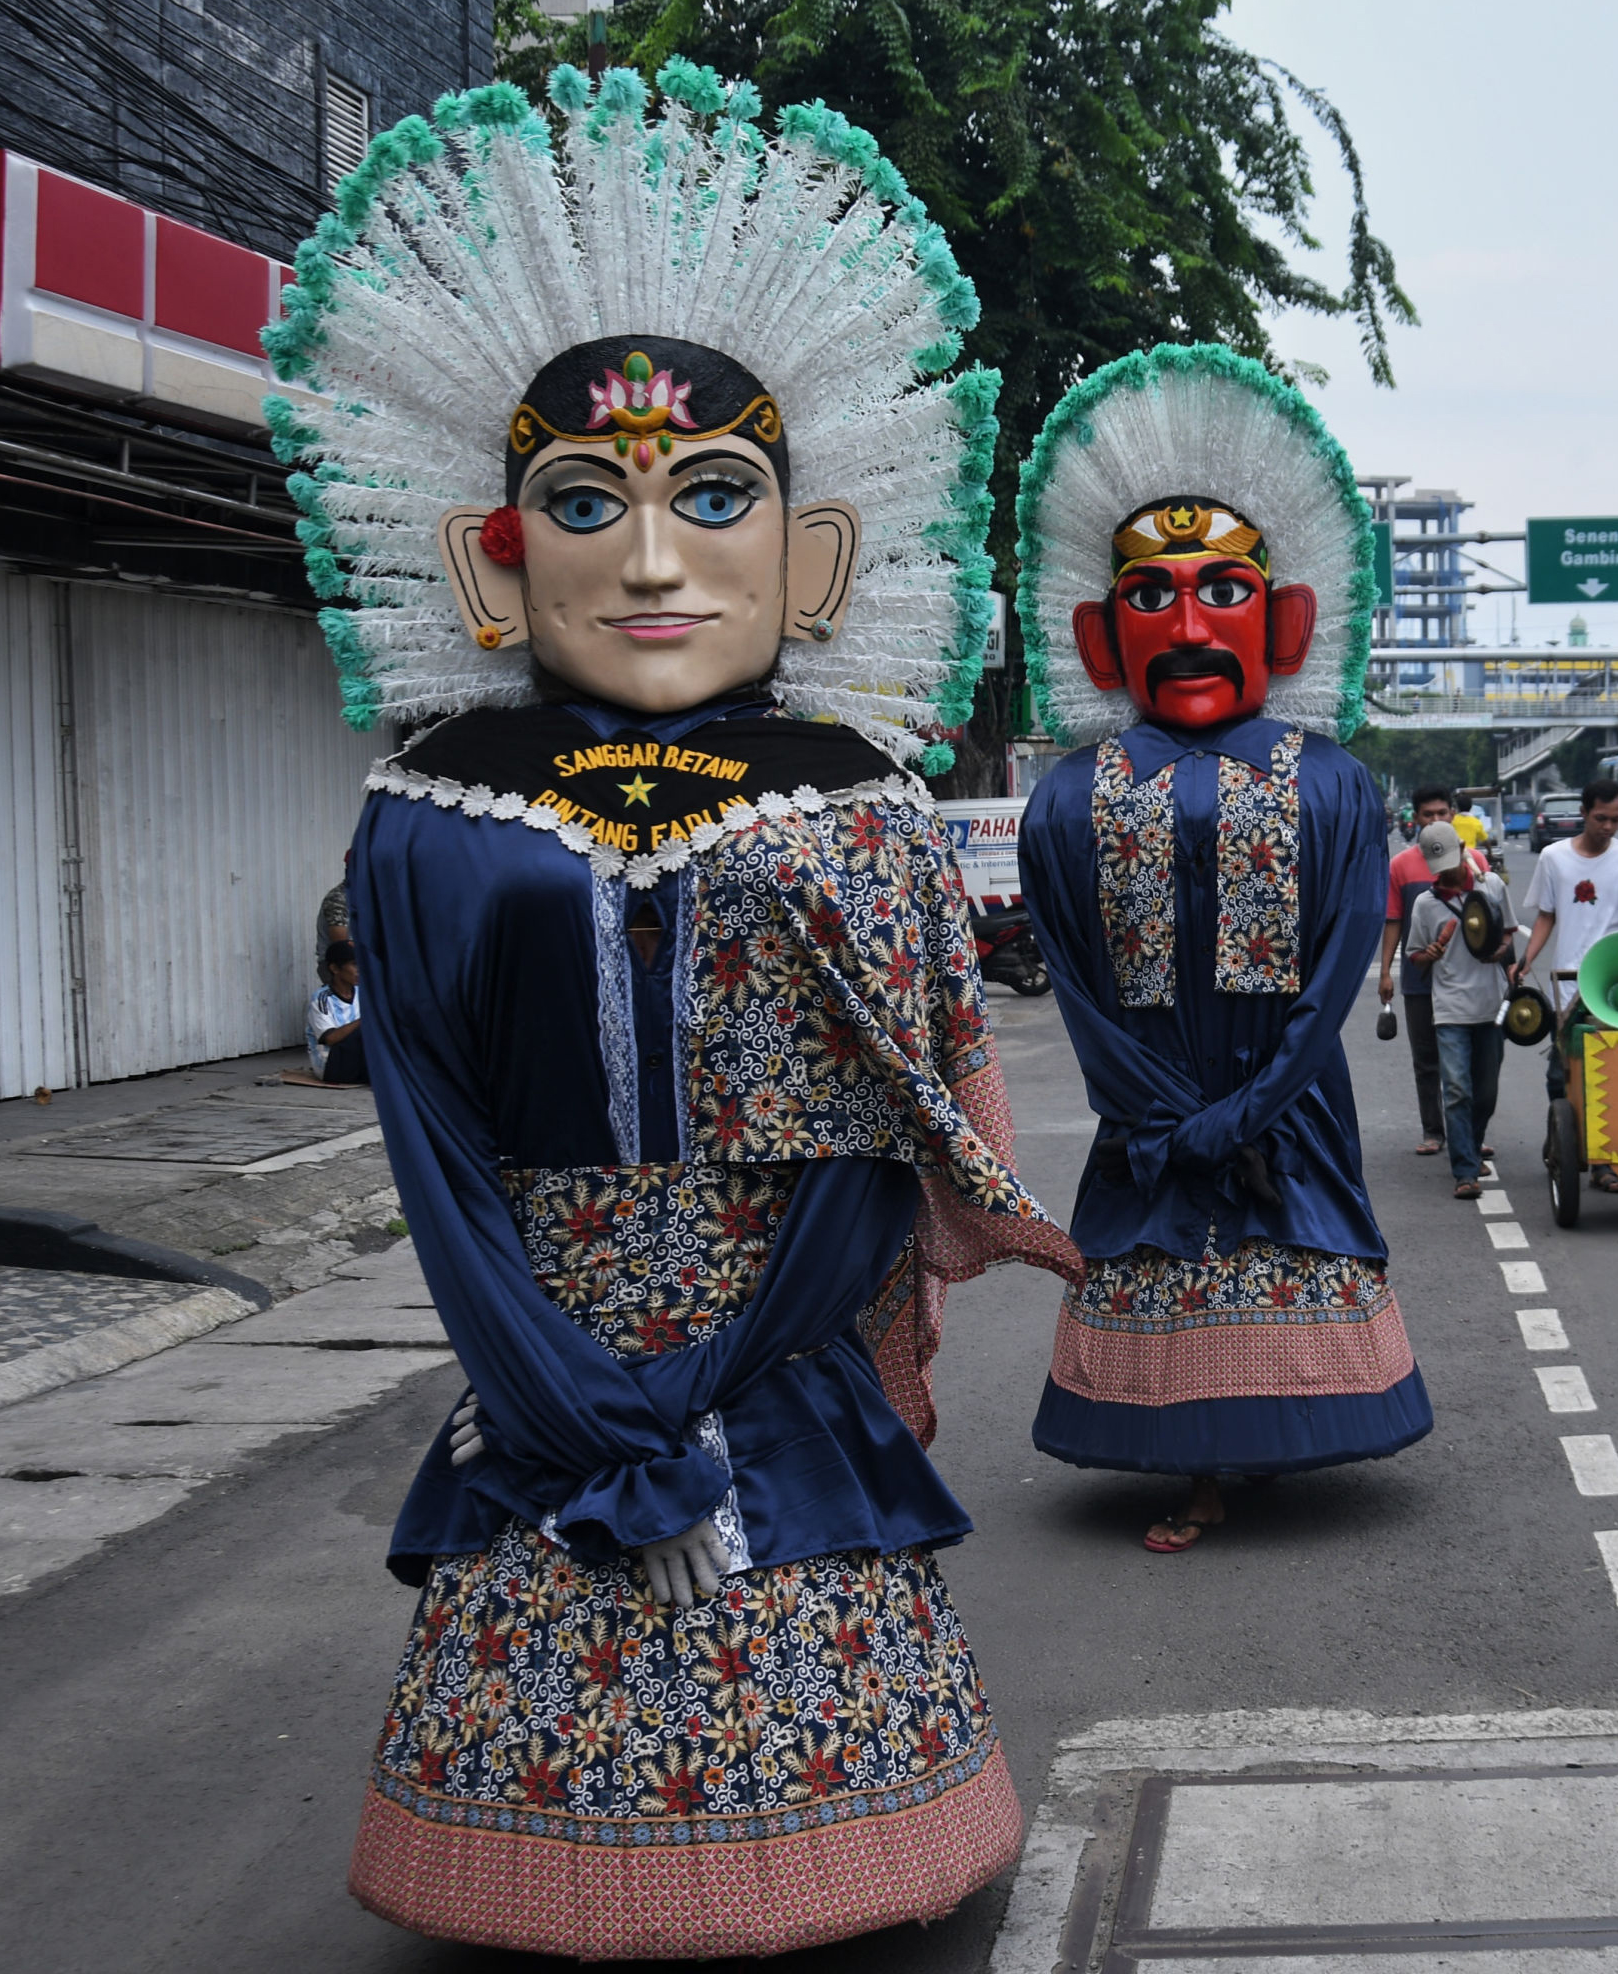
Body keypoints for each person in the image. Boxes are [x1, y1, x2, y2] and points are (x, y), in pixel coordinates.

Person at [284, 72, 1078, 1958]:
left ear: (811, 558)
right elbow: (434, 1137)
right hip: (538, 1331)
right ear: (495, 562)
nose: (651, 563)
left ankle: (840, 1851)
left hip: (780, 1336)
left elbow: (895, 1116)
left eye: (712, 496)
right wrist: (567, 1390)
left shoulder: (857, 804)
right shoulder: (430, 813)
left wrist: (734, 1364)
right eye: (586, 501)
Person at [1015, 341, 1431, 1556]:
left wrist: (1256, 1104)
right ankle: (1194, 1467)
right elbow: (1076, 978)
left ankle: (1270, 1434)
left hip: (1286, 1091)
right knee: (1171, 1253)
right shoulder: (1067, 798)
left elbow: (1344, 959)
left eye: (1222, 590)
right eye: (1151, 597)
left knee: (1274, 1238)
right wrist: (1157, 1112)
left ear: (1286, 620)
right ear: (1101, 640)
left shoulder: (1340, 786)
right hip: (1147, 1104)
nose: (1188, 623)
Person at [1515, 777, 1618, 1192]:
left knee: (1610, 1073)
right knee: (1562, 1074)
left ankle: (1603, 1164)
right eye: (1600, 818)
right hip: (1569, 983)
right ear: (1584, 813)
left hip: (1613, 985)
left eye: (1615, 819)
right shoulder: (1554, 857)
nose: (1609, 827)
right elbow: (1546, 916)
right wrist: (1526, 960)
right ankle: (1562, 1131)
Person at [1403, 820, 1516, 1199]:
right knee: (1456, 1089)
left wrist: (1500, 951)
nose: (1447, 872)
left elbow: (1508, 935)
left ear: (1464, 847)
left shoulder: (1492, 886)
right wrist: (1428, 954)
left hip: (1492, 1004)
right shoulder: (1424, 903)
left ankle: (1471, 1143)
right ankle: (1464, 1171)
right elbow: (1415, 955)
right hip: (1449, 1008)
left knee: (1486, 1092)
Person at [1376, 783, 1484, 1155]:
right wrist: (1387, 971)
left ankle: (1470, 1134)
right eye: (1428, 815)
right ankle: (1433, 1131)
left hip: (1468, 979)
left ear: (1453, 814)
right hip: (1420, 977)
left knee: (1470, 1062)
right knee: (1427, 1060)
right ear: (1416, 819)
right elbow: (1393, 920)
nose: (1436, 820)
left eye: (1442, 813)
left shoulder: (1476, 863)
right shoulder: (1400, 866)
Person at [308, 939, 365, 1085]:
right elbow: (330, 1038)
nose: (360, 970)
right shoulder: (322, 998)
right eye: (354, 964)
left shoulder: (362, 993)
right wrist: (364, 1020)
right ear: (335, 968)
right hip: (331, 1064)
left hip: (355, 1056)